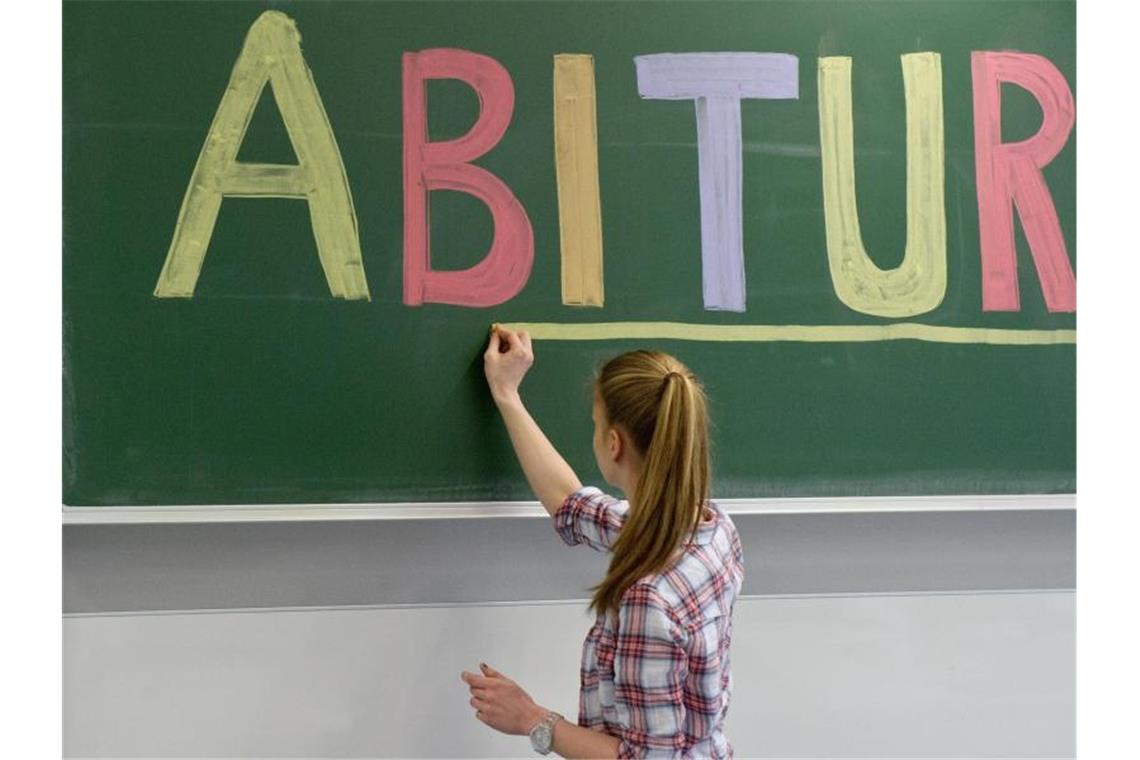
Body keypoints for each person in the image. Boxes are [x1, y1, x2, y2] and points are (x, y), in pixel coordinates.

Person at [461, 325, 745, 758]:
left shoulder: (651, 599)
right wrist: (507, 394)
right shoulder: (708, 526)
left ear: (614, 444)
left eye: (596, 424)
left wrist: (531, 718)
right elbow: (570, 505)